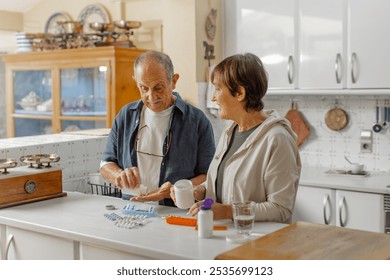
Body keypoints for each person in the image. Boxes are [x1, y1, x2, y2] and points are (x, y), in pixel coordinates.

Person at [185, 53, 302, 223]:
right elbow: (226, 183)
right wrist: (199, 191)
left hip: (257, 242)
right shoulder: (230, 131)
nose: (213, 97)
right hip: (222, 234)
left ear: (240, 93)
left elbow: (281, 209)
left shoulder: (277, 139)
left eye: (218, 89)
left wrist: (227, 211)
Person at [100, 50, 215, 206]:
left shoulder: (197, 121)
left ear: (174, 81)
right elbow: (106, 164)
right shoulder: (125, 116)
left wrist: (176, 189)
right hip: (132, 210)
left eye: (158, 88)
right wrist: (119, 175)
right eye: (143, 88)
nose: (151, 97)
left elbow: (209, 175)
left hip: (176, 213)